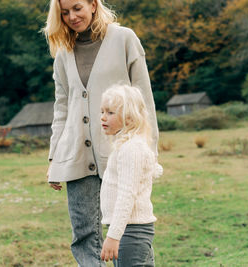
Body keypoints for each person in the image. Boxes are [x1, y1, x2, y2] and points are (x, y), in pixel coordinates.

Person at [42, 0, 159, 265]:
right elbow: (62, 108)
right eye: (64, 13)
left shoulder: (124, 39)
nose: (72, 17)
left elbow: (145, 102)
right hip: (76, 156)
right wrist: (54, 158)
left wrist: (149, 152)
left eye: (77, 8)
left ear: (93, 5)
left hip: (120, 152)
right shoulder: (63, 52)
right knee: (83, 237)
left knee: (129, 229)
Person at [99, 84, 162, 266]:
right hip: (130, 231)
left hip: (130, 232)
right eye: (102, 111)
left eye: (110, 113)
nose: (103, 117)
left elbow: (127, 195)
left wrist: (113, 236)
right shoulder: (128, 146)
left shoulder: (131, 148)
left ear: (129, 116)